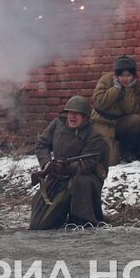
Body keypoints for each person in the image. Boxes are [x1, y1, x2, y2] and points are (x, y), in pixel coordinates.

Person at [29, 96, 109, 230]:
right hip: (57, 177)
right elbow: (42, 144)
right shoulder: (57, 124)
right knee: (38, 226)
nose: (72, 117)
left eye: (77, 114)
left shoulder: (94, 136)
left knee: (82, 183)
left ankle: (82, 221)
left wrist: (65, 168)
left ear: (85, 117)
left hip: (84, 179)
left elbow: (88, 164)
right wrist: (47, 165)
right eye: (70, 113)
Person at [91, 55, 140, 165]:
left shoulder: (135, 86)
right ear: (117, 75)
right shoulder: (106, 80)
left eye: (128, 75)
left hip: (120, 122)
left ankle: (128, 149)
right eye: (122, 75)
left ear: (133, 76)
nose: (125, 79)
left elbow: (131, 110)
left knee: (136, 120)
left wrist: (129, 90)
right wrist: (116, 89)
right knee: (111, 160)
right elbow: (99, 104)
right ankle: (116, 147)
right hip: (103, 122)